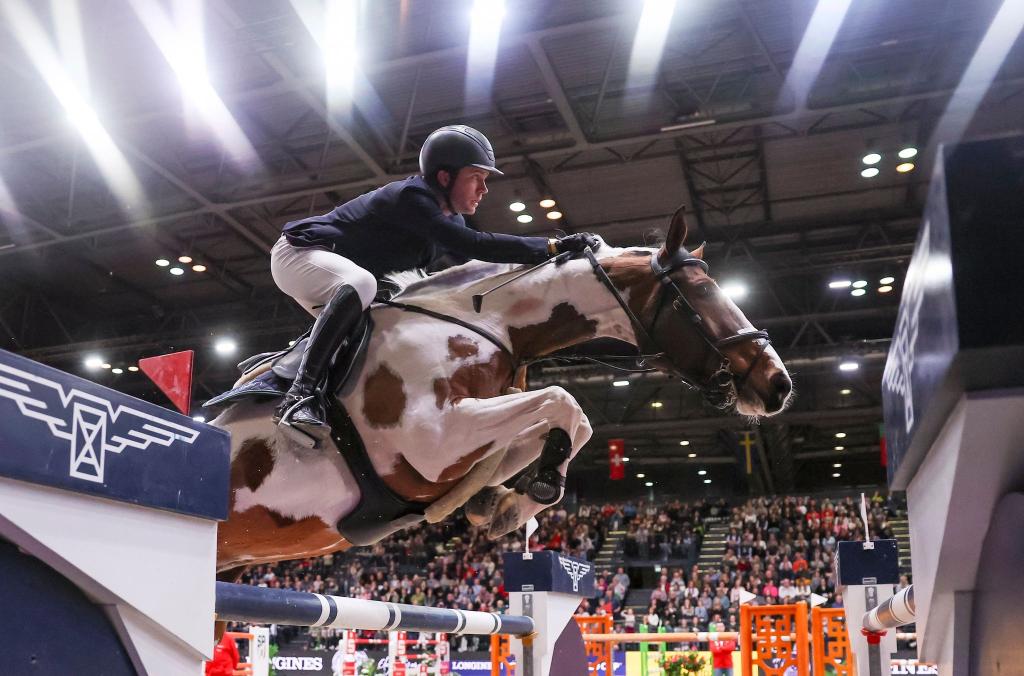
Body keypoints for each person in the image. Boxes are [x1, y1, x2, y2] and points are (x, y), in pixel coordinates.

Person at [270, 124, 599, 436]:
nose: (484, 190)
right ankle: (299, 395)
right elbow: (477, 245)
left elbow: (473, 272)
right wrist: (551, 246)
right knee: (363, 284)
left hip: (341, 281)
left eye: (485, 180)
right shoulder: (413, 198)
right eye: (476, 178)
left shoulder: (448, 218)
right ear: (444, 177)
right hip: (300, 255)